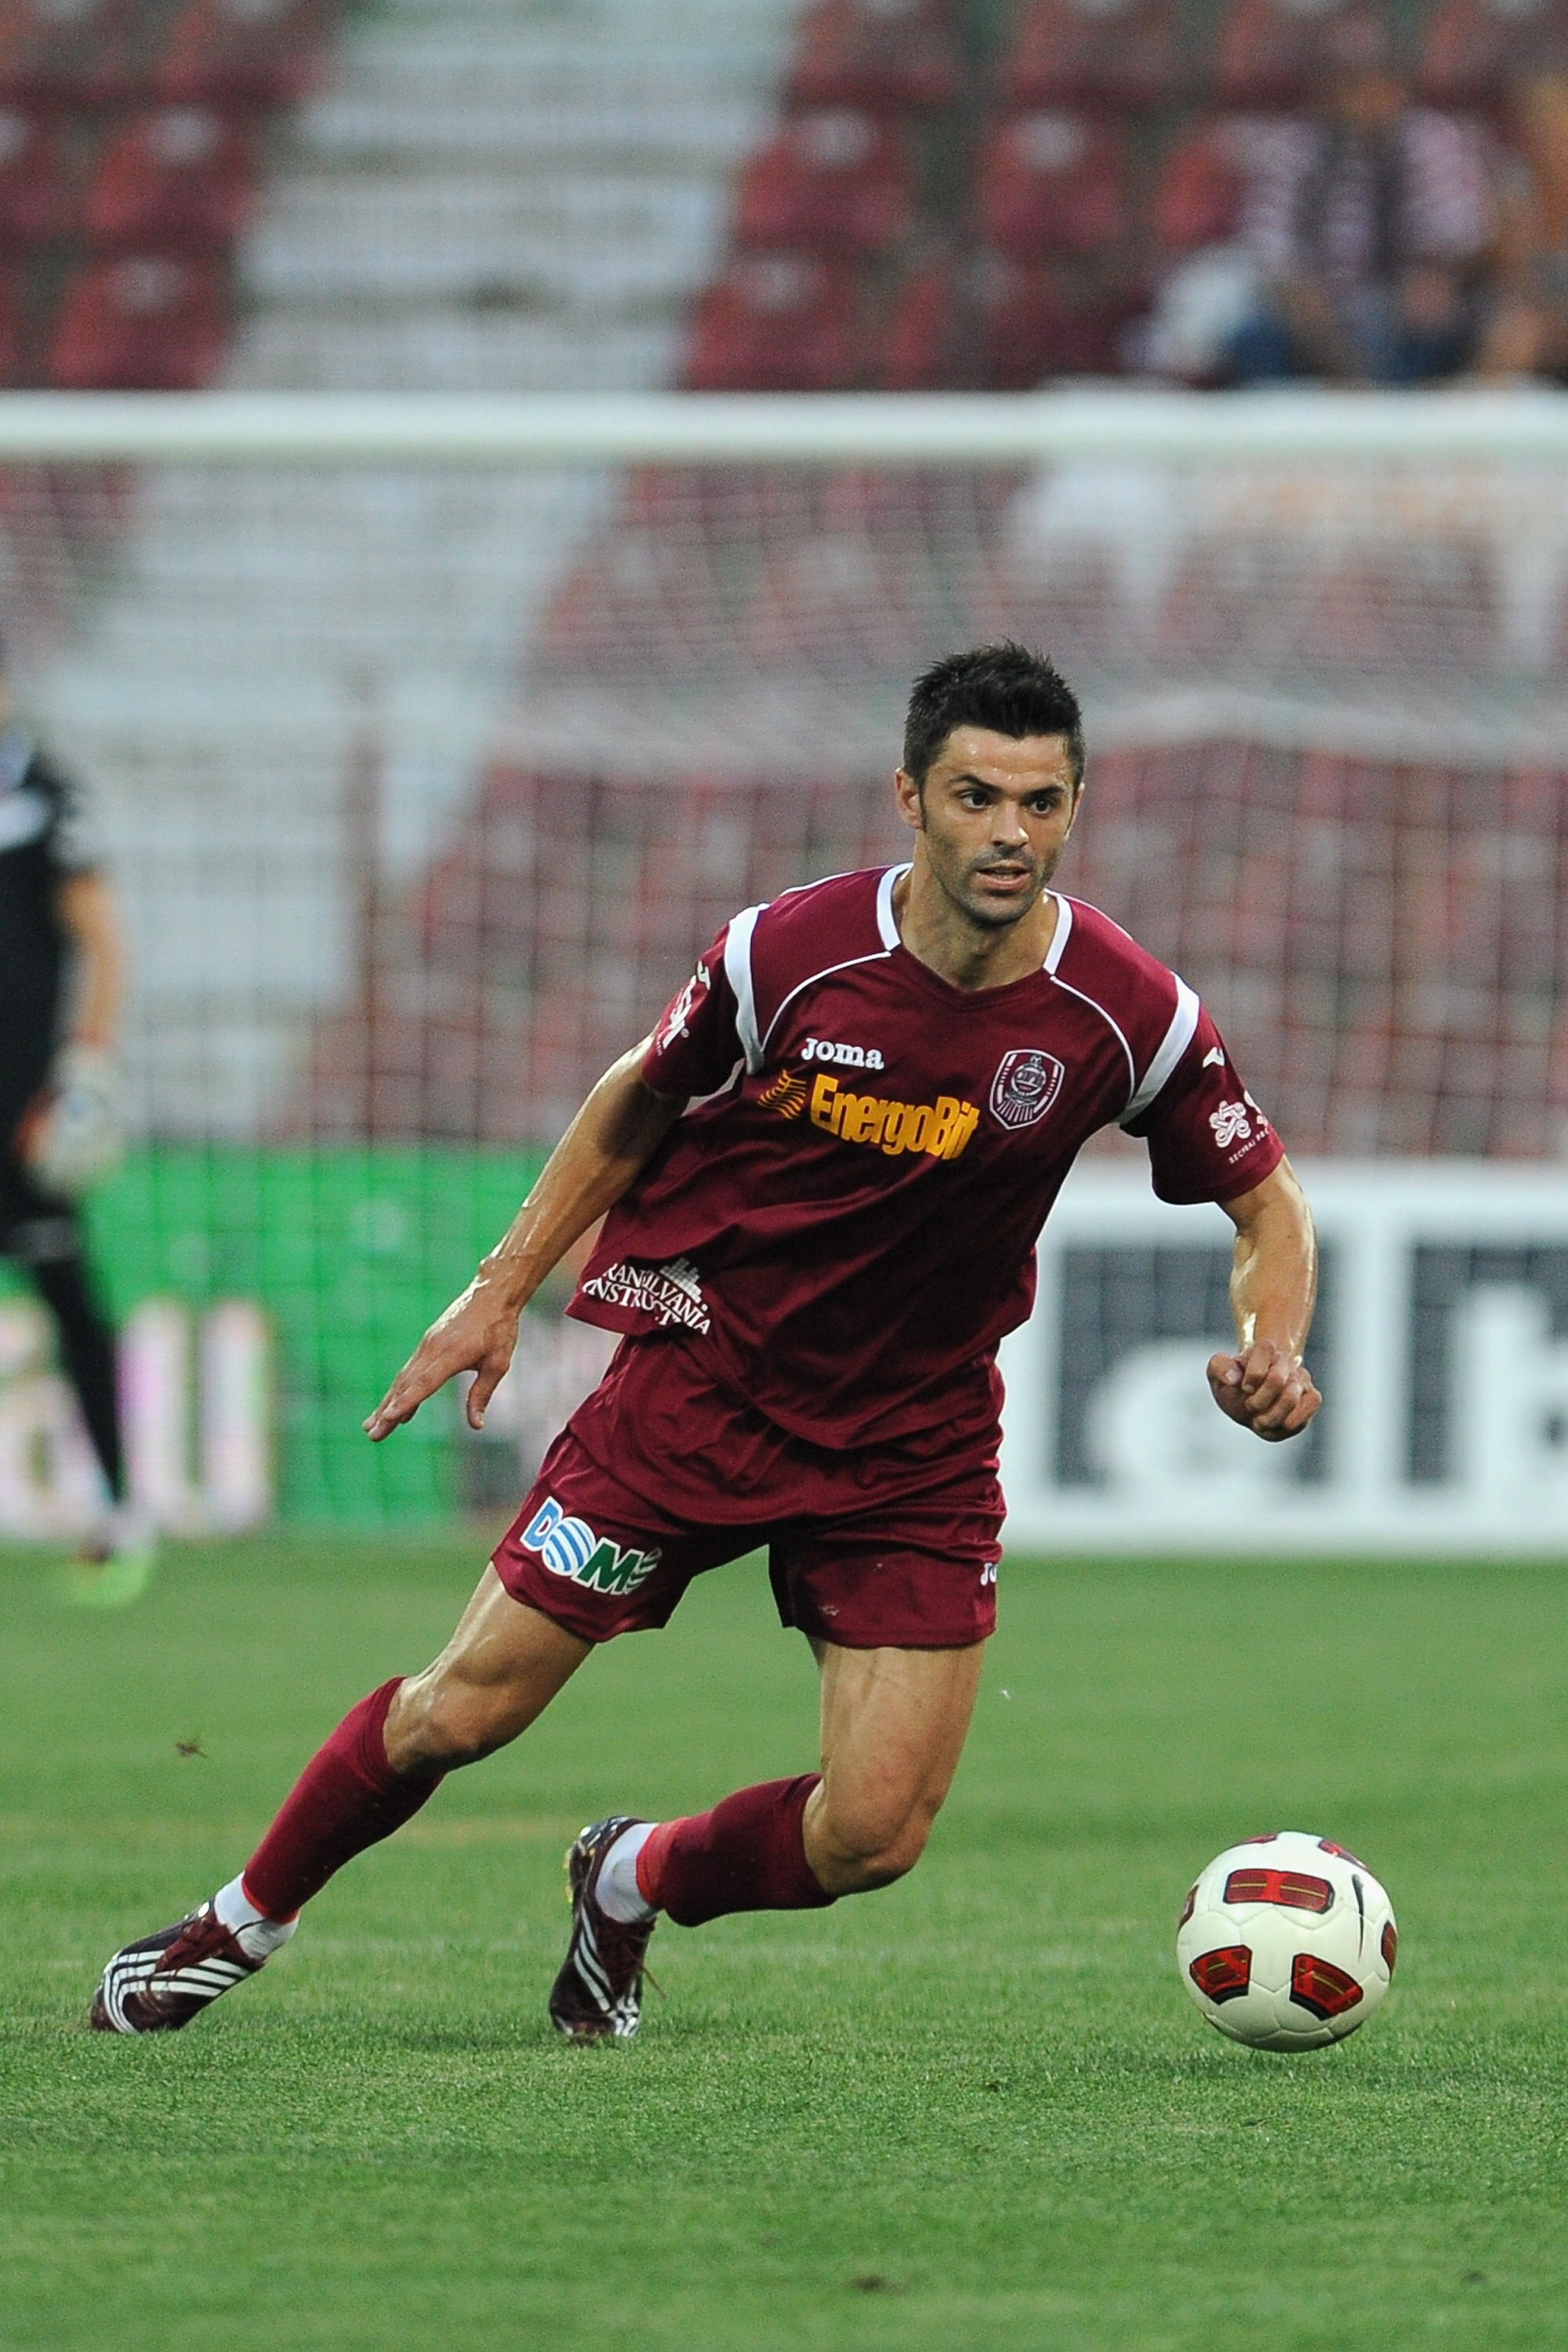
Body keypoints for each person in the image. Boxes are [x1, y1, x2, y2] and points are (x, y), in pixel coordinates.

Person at [89, 642, 1321, 2038]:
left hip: (911, 1444)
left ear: (1076, 807)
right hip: (698, 1395)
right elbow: (636, 1099)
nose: (1010, 834)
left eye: (1041, 804)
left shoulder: (1126, 1010)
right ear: (908, 796)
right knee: (464, 1712)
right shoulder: (785, 954)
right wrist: (502, 1284)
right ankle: (233, 1927)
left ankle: (632, 1872)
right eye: (977, 797)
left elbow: (1264, 1199)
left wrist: (1271, 1341)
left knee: (873, 1838)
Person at [0, 678, 151, 1605]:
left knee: (69, 1301)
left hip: (23, 1116)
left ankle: (122, 1509)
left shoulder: (47, 793)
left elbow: (102, 938)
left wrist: (86, 1069)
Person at [1225, 13, 1501, 386]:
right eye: (1348, 87)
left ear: (1397, 87)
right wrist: (1305, 303)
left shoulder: (1431, 140)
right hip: (1316, 313)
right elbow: (1268, 247)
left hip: (1406, 312)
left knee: (1449, 324)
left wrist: (1437, 277)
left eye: (1372, 85)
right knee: (1252, 339)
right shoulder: (1294, 149)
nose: (1361, 100)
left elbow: (1464, 233)